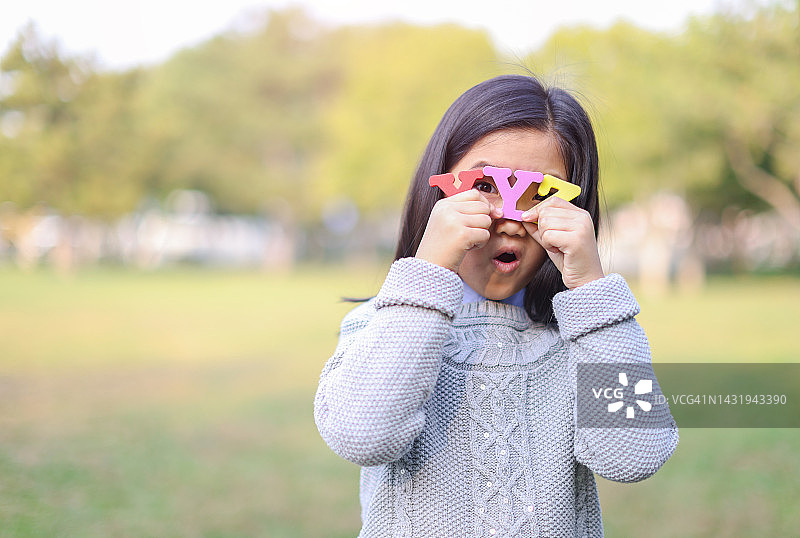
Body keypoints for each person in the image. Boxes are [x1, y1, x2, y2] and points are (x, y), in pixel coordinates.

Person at [314, 74, 678, 537]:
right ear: (439, 188)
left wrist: (590, 288)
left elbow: (633, 456)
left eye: (542, 193)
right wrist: (428, 270)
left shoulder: (588, 337)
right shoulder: (382, 325)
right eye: (486, 185)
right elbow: (362, 435)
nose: (509, 219)